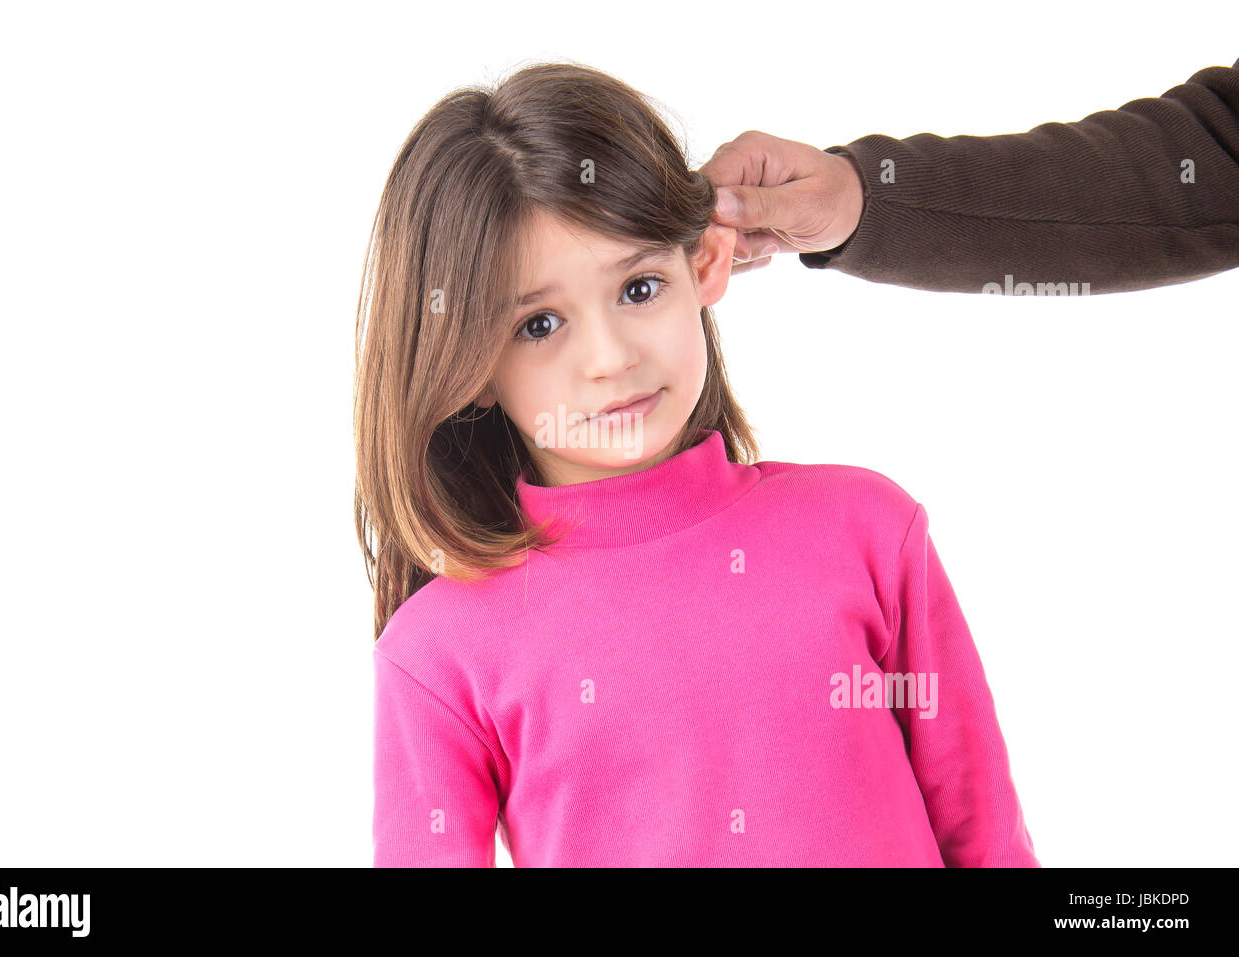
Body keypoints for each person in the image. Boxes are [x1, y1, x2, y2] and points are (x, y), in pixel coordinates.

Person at [358, 61, 1039, 867]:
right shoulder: (437, 653)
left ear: (707, 263)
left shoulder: (869, 530)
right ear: (465, 361)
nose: (609, 357)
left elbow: (987, 838)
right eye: (539, 325)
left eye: (639, 288)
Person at [702, 57, 1239, 293]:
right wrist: (860, 197)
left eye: (639, 290)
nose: (614, 359)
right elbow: (1214, 154)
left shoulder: (866, 518)